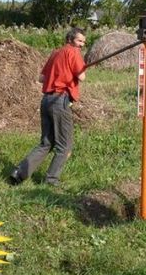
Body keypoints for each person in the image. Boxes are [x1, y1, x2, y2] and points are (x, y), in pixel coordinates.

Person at [9, 28, 87, 187]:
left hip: (46, 100)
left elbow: (41, 78)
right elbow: (82, 77)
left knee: (47, 143)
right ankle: (51, 181)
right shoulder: (73, 52)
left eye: (83, 42)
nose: (82, 45)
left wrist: (60, 74)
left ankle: (19, 173)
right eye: (79, 41)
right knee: (64, 145)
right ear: (71, 39)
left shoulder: (56, 53)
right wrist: (77, 71)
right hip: (60, 100)